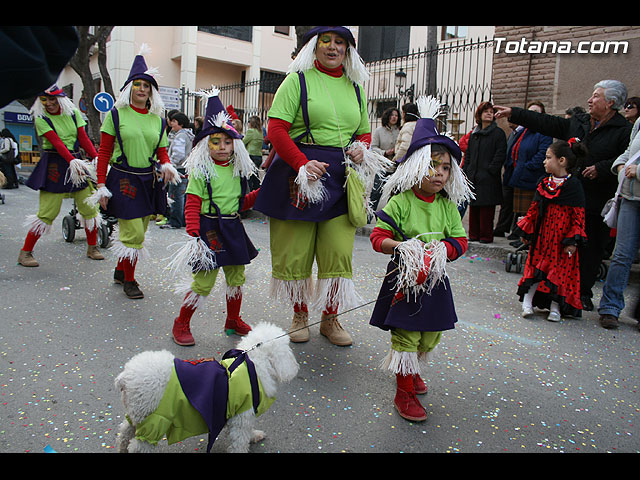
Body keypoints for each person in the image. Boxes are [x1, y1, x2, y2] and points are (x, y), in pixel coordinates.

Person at [253, 26, 391, 346]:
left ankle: (330, 319)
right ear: (314, 47)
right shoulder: (297, 80)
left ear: (348, 49)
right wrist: (302, 163)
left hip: (340, 176)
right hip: (299, 175)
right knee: (296, 252)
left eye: (339, 42)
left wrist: (361, 148)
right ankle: (300, 315)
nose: (332, 47)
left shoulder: (355, 87)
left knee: (337, 252)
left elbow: (363, 132)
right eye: (325, 41)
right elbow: (276, 129)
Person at [369, 96, 474, 422]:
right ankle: (404, 392)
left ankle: (412, 369)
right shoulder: (400, 202)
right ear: (415, 165)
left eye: (445, 167)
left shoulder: (446, 206)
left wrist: (444, 250)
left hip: (435, 281)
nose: (439, 173)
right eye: (432, 165)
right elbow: (377, 238)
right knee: (406, 336)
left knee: (430, 334)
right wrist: (401, 248)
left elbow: (460, 240)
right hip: (404, 281)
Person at [494, 80, 632, 311]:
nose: (590, 100)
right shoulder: (579, 122)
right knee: (558, 250)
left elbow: (625, 158)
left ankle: (582, 294)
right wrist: (515, 113)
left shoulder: (623, 130)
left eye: (596, 96)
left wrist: (601, 168)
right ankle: (551, 295)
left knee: (590, 249)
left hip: (595, 200)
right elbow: (547, 122)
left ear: (610, 102)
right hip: (564, 199)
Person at [168, 88, 259, 345]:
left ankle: (233, 320)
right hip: (208, 228)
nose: (222, 147)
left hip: (233, 227)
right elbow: (192, 203)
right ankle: (181, 322)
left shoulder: (237, 169)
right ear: (206, 144)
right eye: (216, 141)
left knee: (236, 277)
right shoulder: (201, 170)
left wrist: (261, 194)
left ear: (235, 144)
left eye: (227, 142)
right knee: (204, 282)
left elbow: (241, 203)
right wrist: (193, 234)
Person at [92, 44, 180, 299]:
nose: (142, 89)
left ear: (152, 90)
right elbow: (104, 152)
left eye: (146, 85)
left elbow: (162, 151)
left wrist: (167, 165)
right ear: (129, 88)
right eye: (137, 84)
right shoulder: (116, 115)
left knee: (139, 229)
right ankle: (130, 281)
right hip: (123, 178)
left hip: (147, 180)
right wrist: (100, 186)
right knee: (134, 233)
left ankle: (121, 271)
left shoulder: (158, 119)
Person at [18, 85, 102, 267]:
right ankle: (25, 253)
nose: (49, 103)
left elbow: (83, 138)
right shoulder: (41, 118)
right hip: (55, 164)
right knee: (47, 212)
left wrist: (97, 158)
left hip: (77, 162)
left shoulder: (73, 114)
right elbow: (57, 143)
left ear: (61, 99)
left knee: (89, 207)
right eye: (44, 99)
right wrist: (72, 161)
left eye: (52, 99)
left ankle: (92, 247)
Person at [514, 138, 588, 322]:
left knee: (559, 272)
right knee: (536, 268)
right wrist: (527, 232)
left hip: (561, 240)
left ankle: (556, 307)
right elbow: (534, 209)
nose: (544, 161)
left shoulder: (574, 186)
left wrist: (572, 241)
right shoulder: (543, 183)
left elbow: (578, 216)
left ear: (561, 161)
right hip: (543, 237)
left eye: (548, 158)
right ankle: (527, 302)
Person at [597, 116, 640, 329]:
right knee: (622, 255)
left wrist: (638, 171)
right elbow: (630, 151)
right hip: (630, 198)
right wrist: (621, 166)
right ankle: (610, 308)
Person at [507, 102, 553, 241]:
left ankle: (527, 238)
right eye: (530, 111)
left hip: (532, 176)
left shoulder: (544, 132)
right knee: (520, 211)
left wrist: (527, 166)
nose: (532, 114)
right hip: (520, 175)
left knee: (530, 211)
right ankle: (519, 235)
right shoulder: (523, 131)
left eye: (536, 111)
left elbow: (543, 153)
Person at [461, 101, 507, 243]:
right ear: (479, 115)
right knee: (474, 206)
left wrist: (491, 170)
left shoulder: (498, 133)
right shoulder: (475, 134)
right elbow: (468, 154)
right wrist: (466, 171)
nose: (489, 114)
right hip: (473, 175)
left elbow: (500, 154)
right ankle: (473, 234)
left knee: (486, 208)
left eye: (491, 112)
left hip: (488, 177)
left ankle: (486, 236)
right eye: (486, 111)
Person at [161, 112, 194, 230]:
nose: (171, 123)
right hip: (185, 168)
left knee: (175, 195)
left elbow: (178, 154)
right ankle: (182, 220)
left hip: (178, 169)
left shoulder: (181, 136)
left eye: (174, 121)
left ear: (181, 123)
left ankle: (175, 221)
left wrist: (171, 165)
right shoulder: (187, 135)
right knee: (182, 195)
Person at [370, 107, 400, 211]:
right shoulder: (379, 131)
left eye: (396, 115)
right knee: (376, 191)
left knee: (394, 193)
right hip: (381, 166)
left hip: (395, 167)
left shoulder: (400, 131)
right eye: (392, 115)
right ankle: (369, 214)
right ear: (387, 116)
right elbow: (373, 148)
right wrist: (385, 152)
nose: (394, 117)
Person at [243, 115, 264, 192]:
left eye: (249, 122)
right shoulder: (260, 132)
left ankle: (250, 192)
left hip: (251, 155)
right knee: (255, 176)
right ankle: (257, 191)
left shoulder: (251, 131)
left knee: (249, 176)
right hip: (259, 156)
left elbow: (243, 142)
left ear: (251, 123)